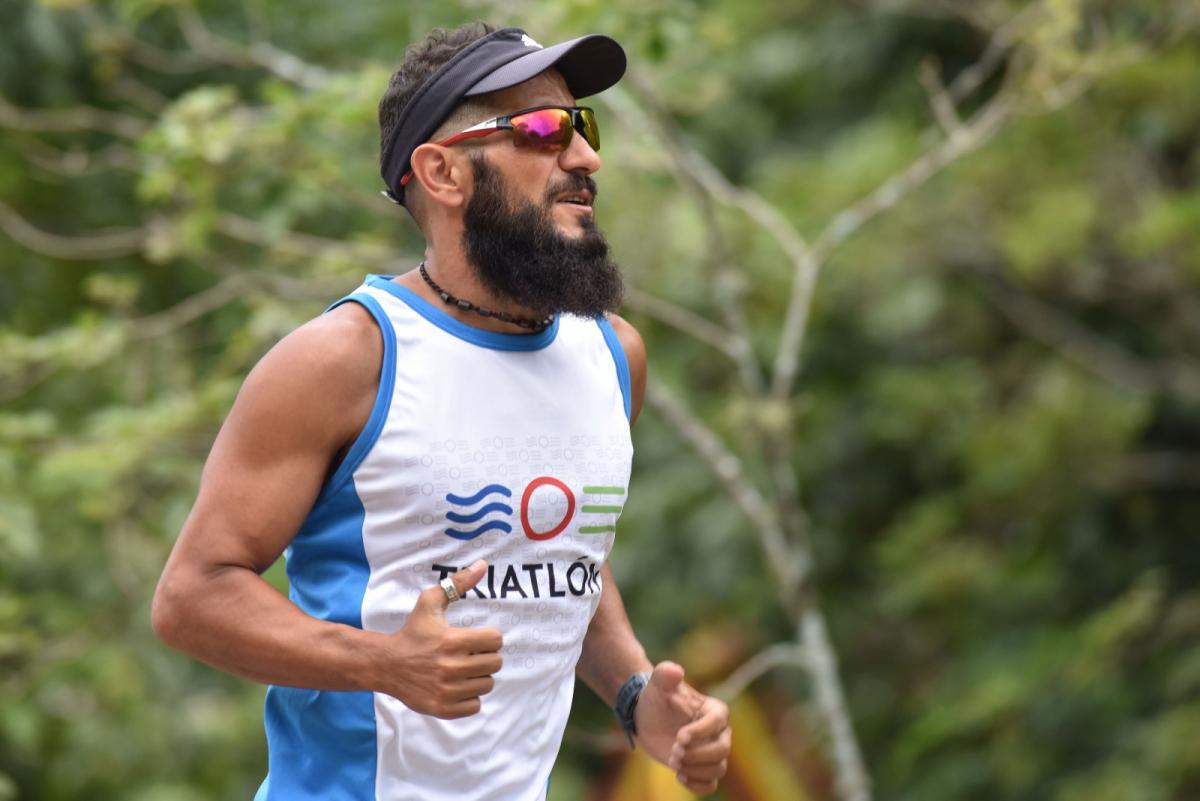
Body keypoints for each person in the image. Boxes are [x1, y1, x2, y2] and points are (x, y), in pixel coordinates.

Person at [152, 21, 732, 801]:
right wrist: (381, 662)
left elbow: (561, 559)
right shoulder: (346, 360)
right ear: (442, 172)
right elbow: (190, 596)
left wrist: (633, 693)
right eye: (541, 128)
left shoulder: (615, 357)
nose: (585, 157)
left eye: (583, 126)